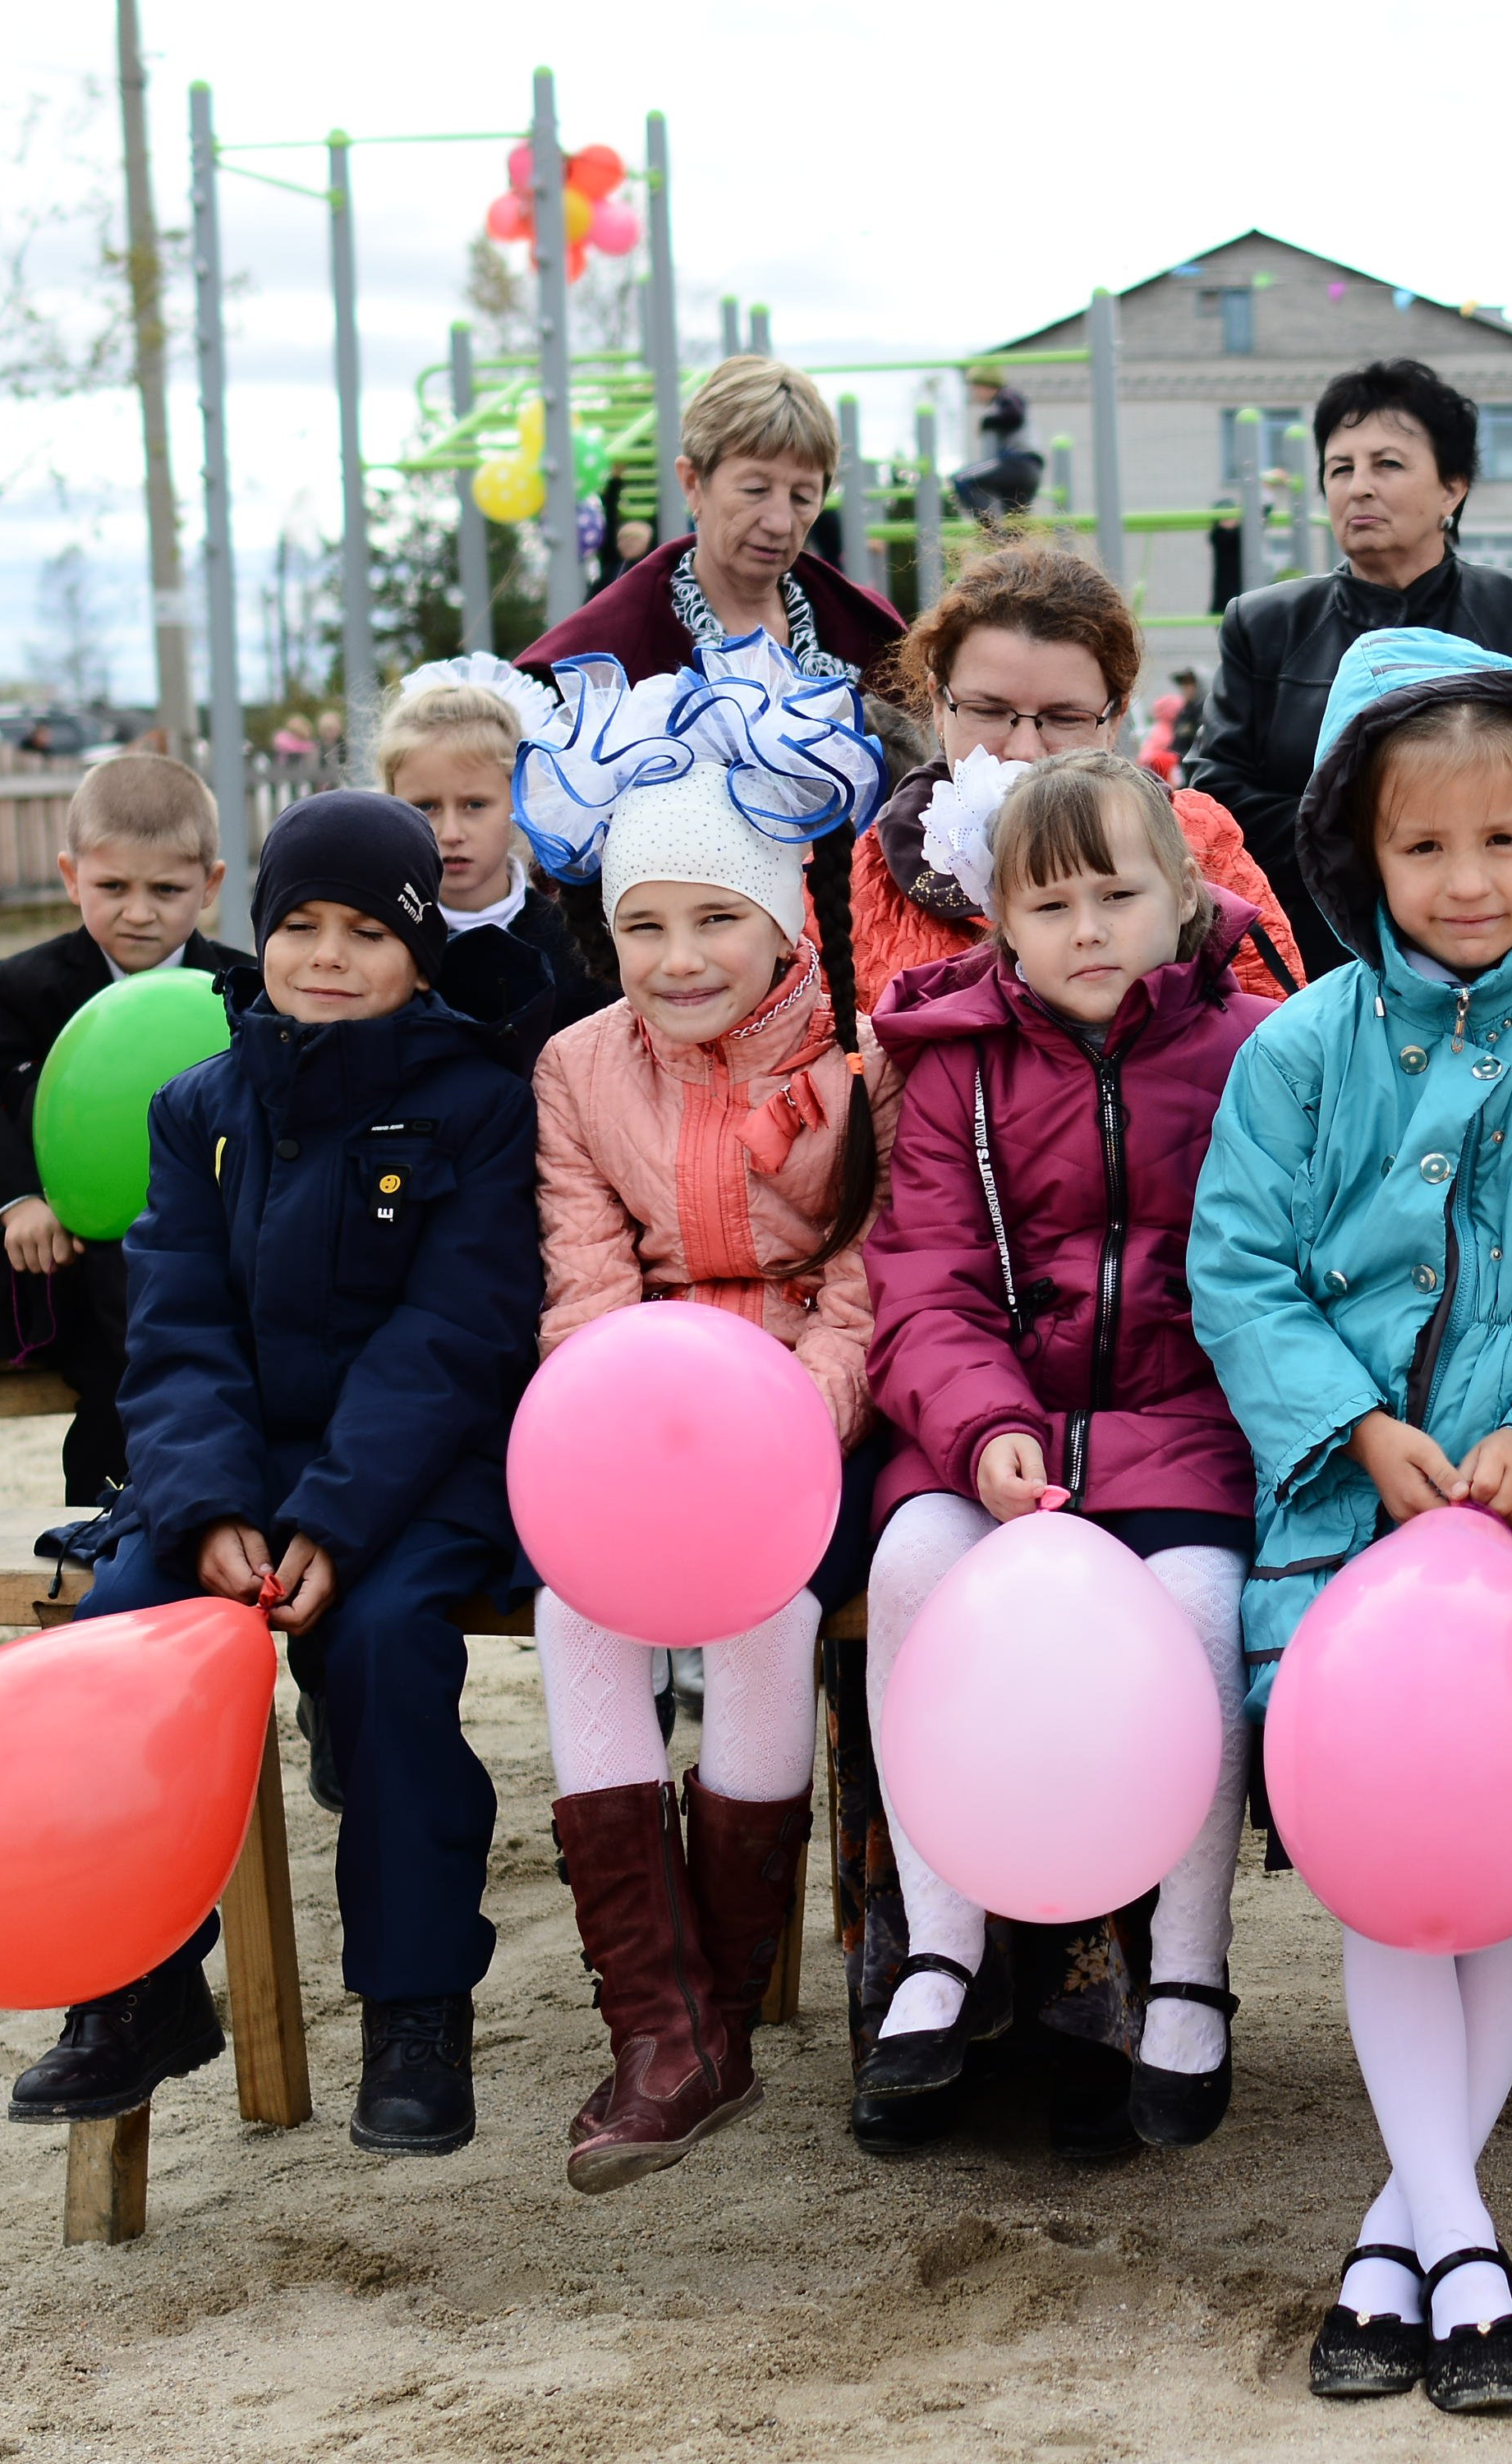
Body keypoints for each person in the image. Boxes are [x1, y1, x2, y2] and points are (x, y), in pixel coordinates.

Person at [1189, 629, 1512, 2414]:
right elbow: (1238, 1266)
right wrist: (1352, 1426)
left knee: (1495, 1882)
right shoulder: (1302, 1048)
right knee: (1393, 1885)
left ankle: (1410, 2232)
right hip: (1355, 1523)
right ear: (1359, 856)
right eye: (1424, 848)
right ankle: (1459, 2243)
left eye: (1503, 843)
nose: (1466, 881)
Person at [7, 794, 551, 2152]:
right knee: (119, 1633)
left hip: (413, 1479)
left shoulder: (480, 1109)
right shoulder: (200, 1108)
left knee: (382, 1650)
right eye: (301, 924)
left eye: (367, 931)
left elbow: (456, 1336)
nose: (326, 954)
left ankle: (414, 2009)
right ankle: (135, 1982)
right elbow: (176, 1326)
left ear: (419, 954)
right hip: (227, 1481)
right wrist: (209, 1511)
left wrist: (333, 1516)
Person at [508, 630, 894, 2192]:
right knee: (575, 1611)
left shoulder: (861, 1071)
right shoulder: (577, 1069)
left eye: (713, 921)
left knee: (766, 1615)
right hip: (634, 1410)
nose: (677, 959)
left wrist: (795, 1423)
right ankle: (656, 2026)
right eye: (643, 926)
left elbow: (871, 1281)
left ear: (781, 921)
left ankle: (724, 2000)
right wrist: (618, 1437)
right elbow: (583, 1279)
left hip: (800, 1414)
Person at [857, 752, 1273, 2157]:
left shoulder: (1253, 1055)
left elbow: (1271, 1275)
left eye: (1119, 893)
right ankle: (942, 1936)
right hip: (996, 1432)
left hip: (1180, 1426)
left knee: (1204, 1613)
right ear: (999, 923)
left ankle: (1193, 1966)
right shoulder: (950, 1062)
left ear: (1180, 898)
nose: (1087, 928)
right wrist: (985, 1433)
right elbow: (925, 1280)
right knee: (913, 1564)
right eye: (1050, 904)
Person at [0, 753, 247, 1506]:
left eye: (168, 890)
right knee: (123, 1370)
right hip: (83, 1268)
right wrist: (19, 1199)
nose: (139, 912)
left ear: (211, 886)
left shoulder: (241, 993)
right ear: (70, 876)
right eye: (112, 887)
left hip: (220, 1255)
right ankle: (107, 1503)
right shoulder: (31, 987)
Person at [1184, 361, 1512, 979]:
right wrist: (1381, 829)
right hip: (1312, 952)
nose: (1358, 488)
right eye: (1340, 469)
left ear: (1453, 488)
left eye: (1387, 464)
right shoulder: (1266, 624)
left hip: (1493, 948)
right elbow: (1217, 795)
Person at [853, 542, 1303, 1009]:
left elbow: (1291, 1055)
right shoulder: (854, 884)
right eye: (987, 710)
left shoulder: (1199, 839)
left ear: (1116, 718)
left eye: (1064, 718)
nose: (1024, 751)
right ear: (937, 705)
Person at [516, 355, 905, 700]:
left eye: (803, 497)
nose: (779, 522)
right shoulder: (606, 648)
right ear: (693, 483)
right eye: (755, 489)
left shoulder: (870, 634)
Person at [375, 655, 621, 1058]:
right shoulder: (378, 938)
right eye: (425, 807)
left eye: (474, 805)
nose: (450, 834)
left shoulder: (577, 947)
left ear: (520, 799)